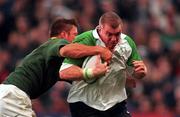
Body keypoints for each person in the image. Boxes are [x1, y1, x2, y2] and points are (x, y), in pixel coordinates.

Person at [0, 18, 112, 116]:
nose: (77, 39)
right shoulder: (56, 43)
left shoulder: (54, 60)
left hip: (7, 95)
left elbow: (68, 74)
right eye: (75, 35)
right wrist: (99, 49)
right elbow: (67, 50)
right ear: (63, 34)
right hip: (13, 96)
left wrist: (93, 73)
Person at [60, 12, 147, 117]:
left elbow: (136, 73)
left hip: (116, 103)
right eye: (109, 34)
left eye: (117, 34)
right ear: (100, 29)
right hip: (85, 104)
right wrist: (91, 72)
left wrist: (141, 72)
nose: (114, 39)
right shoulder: (86, 39)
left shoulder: (127, 43)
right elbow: (64, 72)